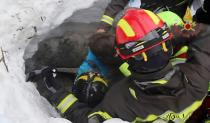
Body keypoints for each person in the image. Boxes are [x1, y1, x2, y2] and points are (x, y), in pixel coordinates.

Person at [27, 9, 210, 123]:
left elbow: (88, 119)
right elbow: (205, 34)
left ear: (125, 58)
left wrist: (53, 90)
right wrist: (168, 35)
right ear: (168, 45)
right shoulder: (200, 75)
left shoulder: (122, 101)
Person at [98, 0, 210, 33]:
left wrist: (190, 28)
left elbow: (198, 10)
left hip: (176, 25)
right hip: (141, 24)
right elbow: (116, 4)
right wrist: (102, 28)